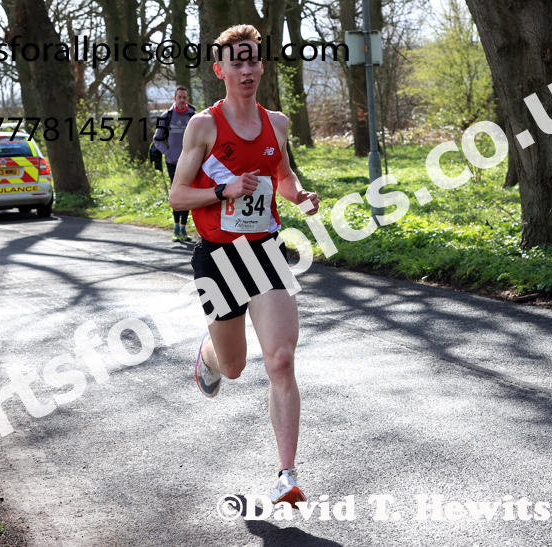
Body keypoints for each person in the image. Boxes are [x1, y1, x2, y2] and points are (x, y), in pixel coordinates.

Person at [168, 24, 320, 508]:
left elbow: (283, 174)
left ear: (261, 64)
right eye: (237, 61)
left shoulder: (277, 123)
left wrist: (299, 196)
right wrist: (222, 190)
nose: (248, 68)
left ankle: (287, 474)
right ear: (220, 70)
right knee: (233, 368)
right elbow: (177, 195)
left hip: (265, 251)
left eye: (253, 59)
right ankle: (210, 354)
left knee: (280, 359)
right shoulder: (204, 127)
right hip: (217, 257)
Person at [154, 85, 197, 242]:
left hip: (190, 161)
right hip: (172, 161)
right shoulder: (166, 116)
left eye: (184, 97)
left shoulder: (194, 116)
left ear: (187, 99)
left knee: (187, 193)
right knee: (176, 193)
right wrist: (167, 152)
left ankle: (184, 229)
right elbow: (157, 138)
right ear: (174, 98)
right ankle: (176, 228)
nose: (181, 100)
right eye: (179, 97)